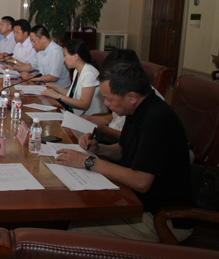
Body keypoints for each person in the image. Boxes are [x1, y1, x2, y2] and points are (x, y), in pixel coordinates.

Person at [55, 61, 193, 242]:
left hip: (163, 218)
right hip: (137, 203)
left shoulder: (156, 119)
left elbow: (141, 181)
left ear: (132, 97)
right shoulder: (137, 109)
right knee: (78, 209)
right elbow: (122, 150)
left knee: (76, 231)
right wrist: (99, 148)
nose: (106, 103)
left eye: (109, 99)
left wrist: (88, 161)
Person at [82, 49, 164, 143]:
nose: (106, 103)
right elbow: (117, 118)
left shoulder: (146, 104)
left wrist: (104, 130)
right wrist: (91, 119)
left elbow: (132, 139)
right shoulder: (126, 99)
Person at [41, 39, 106, 116]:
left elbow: (84, 104)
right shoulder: (77, 70)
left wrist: (58, 96)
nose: (64, 59)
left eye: (65, 55)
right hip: (76, 114)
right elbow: (73, 94)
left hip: (90, 117)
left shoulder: (89, 73)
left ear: (75, 56)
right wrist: (55, 87)